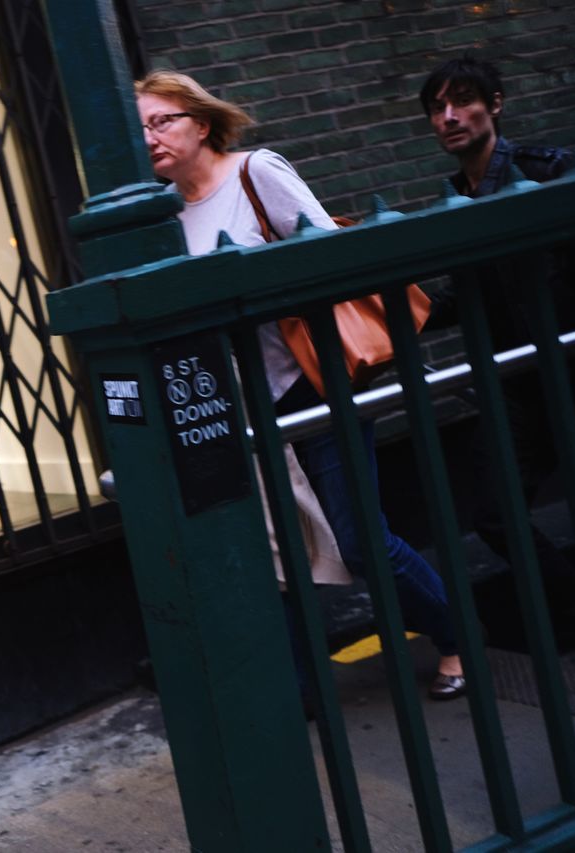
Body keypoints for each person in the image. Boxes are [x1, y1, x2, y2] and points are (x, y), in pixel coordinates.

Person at [134, 70, 465, 700]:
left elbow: (329, 261)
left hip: (311, 385)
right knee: (274, 556)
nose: (151, 137)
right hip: (242, 406)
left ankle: (456, 640)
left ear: (201, 124)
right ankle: (301, 689)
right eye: (141, 128)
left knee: (362, 541)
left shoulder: (256, 173)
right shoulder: (165, 216)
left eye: (163, 121)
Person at [418, 57, 575, 646]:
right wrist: (400, 314)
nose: (449, 116)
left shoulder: (551, 171)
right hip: (515, 382)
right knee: (495, 511)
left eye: (462, 101)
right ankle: (574, 609)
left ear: (496, 103)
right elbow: (468, 296)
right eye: (437, 109)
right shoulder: (454, 202)